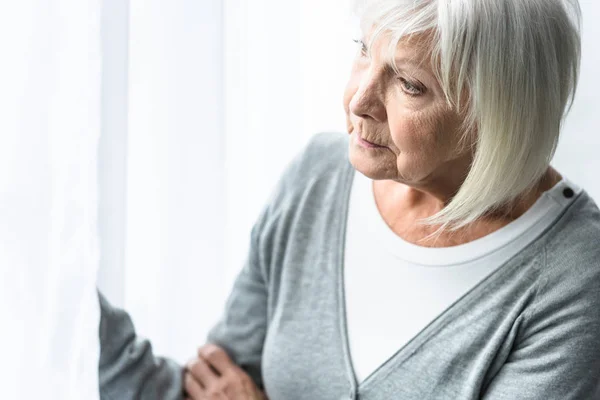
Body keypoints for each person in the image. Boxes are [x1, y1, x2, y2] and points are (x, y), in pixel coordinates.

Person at [183, 0, 600, 399]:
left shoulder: (575, 278)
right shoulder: (316, 176)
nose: (359, 102)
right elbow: (212, 379)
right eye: (364, 50)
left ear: (500, 113)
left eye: (409, 84)